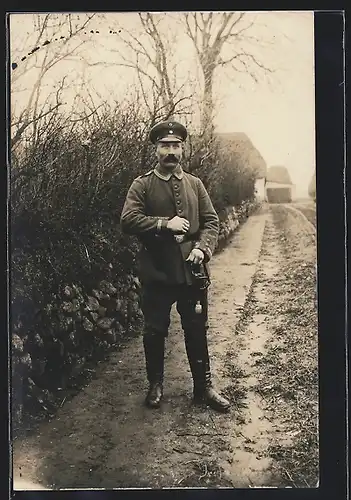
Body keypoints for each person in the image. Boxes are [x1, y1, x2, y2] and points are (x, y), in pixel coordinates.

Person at [120, 120, 230, 413]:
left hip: (191, 272)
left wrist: (202, 249)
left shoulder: (195, 184)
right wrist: (163, 223)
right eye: (165, 146)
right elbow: (128, 220)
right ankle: (155, 386)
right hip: (157, 269)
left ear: (183, 148)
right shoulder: (142, 184)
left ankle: (203, 388)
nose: (171, 151)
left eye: (176, 146)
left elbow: (211, 221)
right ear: (155, 149)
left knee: (196, 328)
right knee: (155, 330)